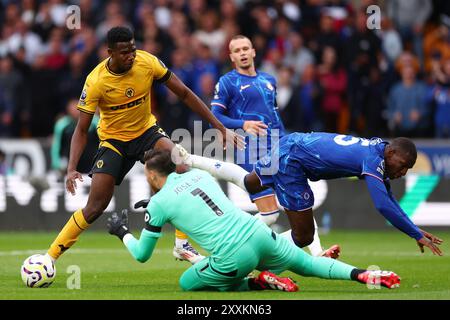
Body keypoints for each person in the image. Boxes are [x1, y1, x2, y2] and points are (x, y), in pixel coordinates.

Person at [45, 26, 243, 267]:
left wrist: (219, 126)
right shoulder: (96, 81)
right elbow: (80, 128)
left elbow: (184, 92)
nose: (131, 56)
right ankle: (49, 258)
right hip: (114, 141)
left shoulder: (147, 62)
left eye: (133, 49)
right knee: (96, 206)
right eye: (125, 52)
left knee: (180, 165)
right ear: (110, 53)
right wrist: (71, 168)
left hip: (146, 132)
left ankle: (182, 245)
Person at [106, 149, 401, 292]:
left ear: (151, 176)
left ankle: (259, 284)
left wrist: (122, 232)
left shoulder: (159, 202)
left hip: (234, 257)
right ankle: (366, 275)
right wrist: (157, 205)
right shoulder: (198, 175)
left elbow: (142, 255)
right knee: (310, 265)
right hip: (258, 232)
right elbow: (188, 200)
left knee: (188, 283)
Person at [175, 132, 444, 256]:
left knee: (251, 183)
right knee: (303, 236)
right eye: (404, 166)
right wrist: (414, 233)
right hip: (294, 162)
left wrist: (414, 230)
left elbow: (390, 200)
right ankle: (248, 253)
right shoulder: (373, 160)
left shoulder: (378, 150)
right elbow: (383, 206)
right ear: (392, 154)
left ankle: (191, 160)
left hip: (294, 142)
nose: (404, 172)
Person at [211, 35, 339, 258]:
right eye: (237, 50)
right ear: (231, 57)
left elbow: (274, 116)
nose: (242, 53)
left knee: (299, 197)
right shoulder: (227, 82)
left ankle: (318, 253)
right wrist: (243, 124)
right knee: (269, 214)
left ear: (253, 52)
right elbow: (215, 115)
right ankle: (229, 242)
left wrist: (287, 141)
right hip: (250, 150)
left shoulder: (269, 80)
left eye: (245, 48)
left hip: (279, 147)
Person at [51, 98, 99, 175]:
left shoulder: (95, 122)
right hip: (70, 165)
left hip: (92, 165)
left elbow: (103, 141)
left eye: (76, 108)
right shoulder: (61, 125)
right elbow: (56, 146)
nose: (75, 111)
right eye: (72, 108)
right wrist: (57, 164)